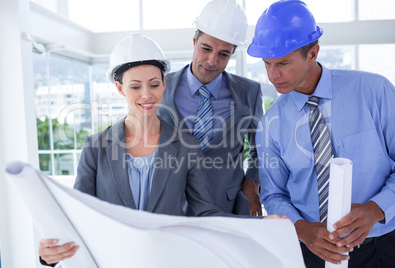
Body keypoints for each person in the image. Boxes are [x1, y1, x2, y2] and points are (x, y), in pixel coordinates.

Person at [38, 33, 282, 266]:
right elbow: (78, 214)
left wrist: (260, 225)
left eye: (153, 84)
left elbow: (205, 213)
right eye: (135, 87)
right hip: (113, 260)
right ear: (120, 88)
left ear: (164, 83)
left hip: (167, 260)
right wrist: (50, 252)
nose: (146, 95)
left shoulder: (187, 146)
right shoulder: (96, 147)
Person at [248, 1, 395, 267]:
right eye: (266, 63)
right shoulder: (271, 124)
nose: (273, 75)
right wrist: (303, 230)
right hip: (312, 252)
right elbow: (274, 195)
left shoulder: (375, 92)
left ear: (313, 53)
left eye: (283, 63)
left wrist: (375, 209)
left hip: (383, 247)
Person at [158, 0, 264, 216]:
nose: (212, 61)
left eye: (224, 54)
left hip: (228, 204)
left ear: (233, 52)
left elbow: (260, 149)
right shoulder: (160, 86)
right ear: (195, 39)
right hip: (169, 204)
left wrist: (252, 183)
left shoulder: (249, 91)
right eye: (206, 48)